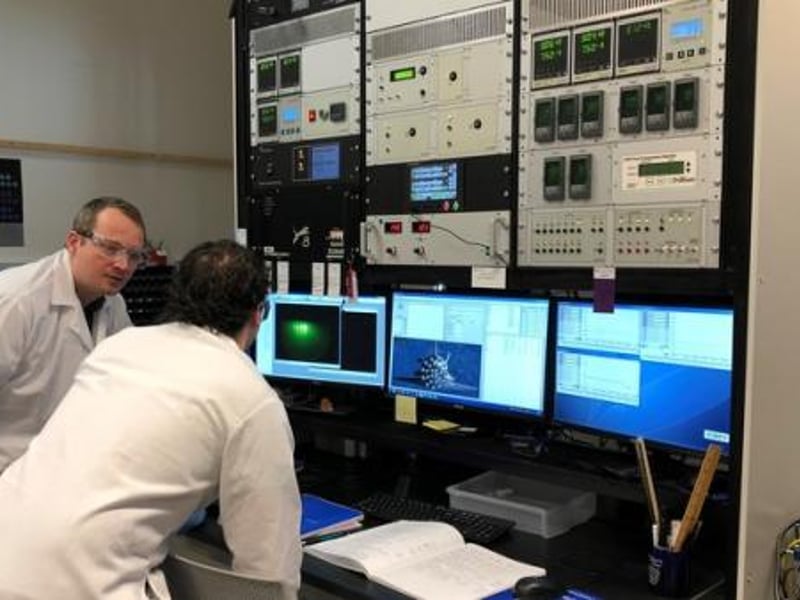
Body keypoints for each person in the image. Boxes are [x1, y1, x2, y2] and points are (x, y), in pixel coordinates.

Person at [0, 239, 302, 600]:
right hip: (75, 584)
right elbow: (269, 568)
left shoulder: (119, 347)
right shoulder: (252, 399)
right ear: (258, 314)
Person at [0, 196, 147, 472]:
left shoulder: (113, 303)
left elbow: (125, 378)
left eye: (134, 255)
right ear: (74, 242)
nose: (123, 265)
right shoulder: (15, 299)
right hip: (10, 470)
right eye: (110, 248)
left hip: (67, 464)